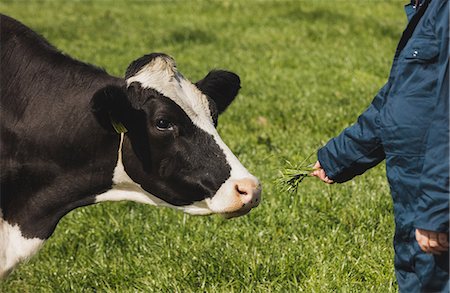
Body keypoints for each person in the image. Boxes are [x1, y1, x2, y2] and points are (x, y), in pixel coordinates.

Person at [311, 0, 449, 291]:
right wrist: (341, 156)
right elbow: (399, 102)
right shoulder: (427, 11)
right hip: (419, 198)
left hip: (435, 199)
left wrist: (438, 211)